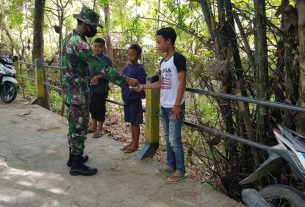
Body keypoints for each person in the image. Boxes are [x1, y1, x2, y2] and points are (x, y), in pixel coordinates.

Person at [62, 6, 138, 176]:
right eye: (94, 26)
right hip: (77, 93)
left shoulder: (69, 38)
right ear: (87, 24)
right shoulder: (80, 44)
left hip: (68, 89)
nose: (95, 30)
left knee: (73, 125)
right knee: (79, 127)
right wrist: (126, 81)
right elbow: (101, 67)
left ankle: (73, 158)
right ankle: (76, 165)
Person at [137, 27, 187, 182]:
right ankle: (171, 166)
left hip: (174, 106)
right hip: (164, 105)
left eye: (159, 42)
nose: (157, 45)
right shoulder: (163, 62)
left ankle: (180, 170)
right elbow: (161, 83)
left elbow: (182, 81)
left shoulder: (178, 58)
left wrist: (177, 105)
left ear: (168, 41)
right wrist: (143, 86)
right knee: (167, 137)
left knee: (174, 139)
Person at [120, 44, 147, 153]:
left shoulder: (140, 69)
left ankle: (136, 144)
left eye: (133, 55)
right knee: (131, 121)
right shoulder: (127, 68)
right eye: (129, 54)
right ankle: (132, 141)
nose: (130, 57)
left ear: (138, 56)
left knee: (136, 122)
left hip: (135, 99)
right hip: (127, 98)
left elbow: (142, 83)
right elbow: (122, 80)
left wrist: (135, 86)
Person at [87, 38, 112, 138]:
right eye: (96, 46)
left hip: (101, 89)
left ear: (104, 48)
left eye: (100, 47)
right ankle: (93, 126)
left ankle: (100, 129)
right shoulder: (90, 58)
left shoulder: (106, 60)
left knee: (100, 108)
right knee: (92, 107)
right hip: (91, 88)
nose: (97, 49)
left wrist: (99, 77)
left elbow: (110, 74)